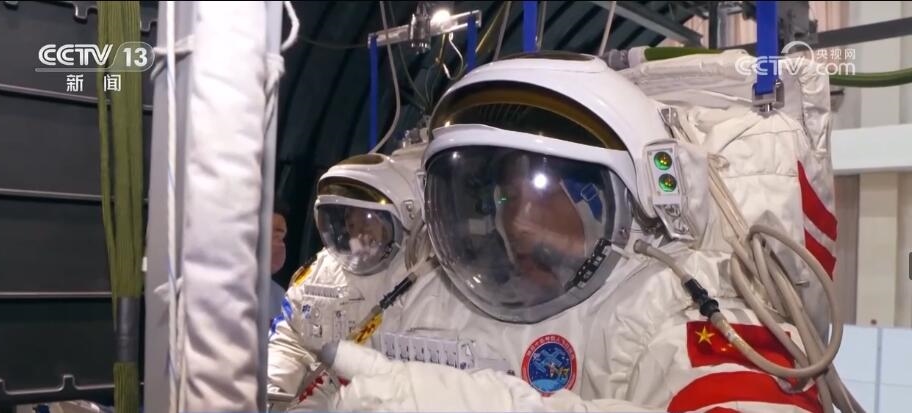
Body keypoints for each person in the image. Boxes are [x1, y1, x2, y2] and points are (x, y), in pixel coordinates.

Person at [326, 52, 856, 412]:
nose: (517, 223)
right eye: (505, 198)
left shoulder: (674, 311)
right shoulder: (438, 297)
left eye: (543, 194)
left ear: (626, 196)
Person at [267, 145, 431, 411]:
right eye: (351, 224)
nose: (358, 234)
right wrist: (274, 392)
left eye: (368, 222)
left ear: (404, 217)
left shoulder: (428, 276)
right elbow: (292, 341)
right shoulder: (322, 273)